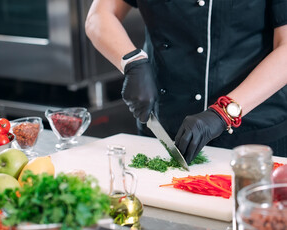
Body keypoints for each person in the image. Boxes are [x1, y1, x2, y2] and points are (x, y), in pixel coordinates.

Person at [85, 0, 287, 164]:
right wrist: (131, 62)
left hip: (253, 138)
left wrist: (224, 112)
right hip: (163, 129)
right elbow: (99, 15)